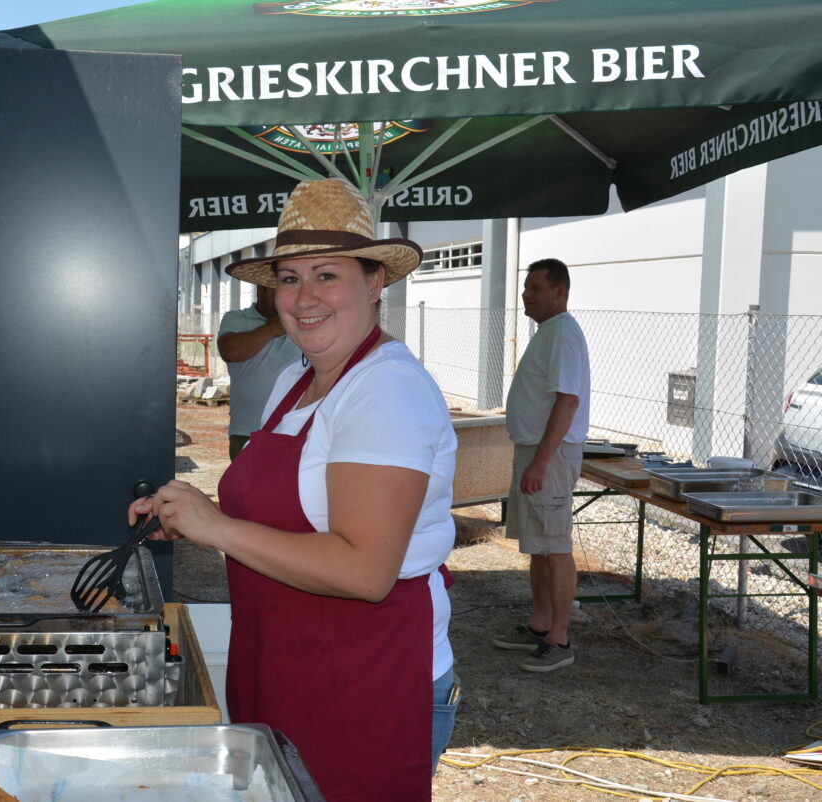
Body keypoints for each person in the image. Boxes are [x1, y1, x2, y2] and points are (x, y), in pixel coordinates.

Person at [131, 178, 458, 801]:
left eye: (327, 274)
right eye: (288, 278)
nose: (304, 297)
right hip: (285, 659)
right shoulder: (293, 380)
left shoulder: (387, 390)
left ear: (374, 283)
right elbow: (287, 518)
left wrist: (217, 527)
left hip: (367, 676)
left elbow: (367, 570)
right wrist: (189, 513)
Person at [493, 258, 591, 673]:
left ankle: (560, 639)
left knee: (554, 545)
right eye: (525, 287)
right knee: (537, 544)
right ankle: (539, 625)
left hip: (547, 455)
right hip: (535, 451)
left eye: (535, 287)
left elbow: (568, 401)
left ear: (560, 292)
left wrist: (542, 461)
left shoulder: (563, 333)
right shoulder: (549, 332)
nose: (525, 295)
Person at [217, 284, 300, 459]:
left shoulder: (301, 322)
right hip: (247, 432)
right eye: (279, 288)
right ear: (261, 290)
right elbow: (230, 351)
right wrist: (274, 328)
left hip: (293, 431)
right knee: (245, 486)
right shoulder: (237, 319)